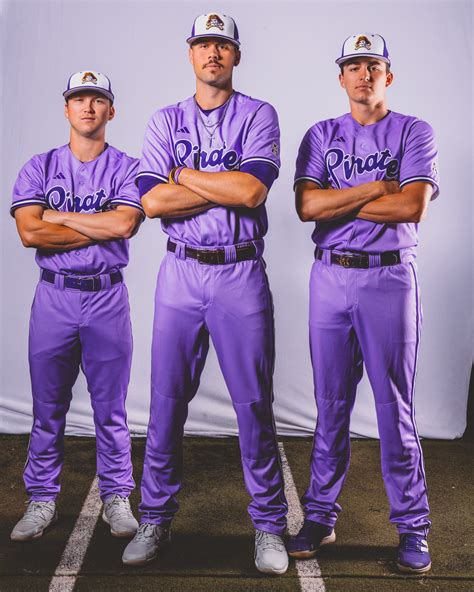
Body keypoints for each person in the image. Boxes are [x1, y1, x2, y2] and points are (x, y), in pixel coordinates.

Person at [122, 12, 288, 575]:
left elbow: (251, 189)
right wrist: (218, 186)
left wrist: (185, 175)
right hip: (181, 273)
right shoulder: (164, 119)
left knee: (252, 405)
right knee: (165, 403)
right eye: (203, 44)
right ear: (189, 54)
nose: (212, 53)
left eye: (222, 44)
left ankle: (267, 525)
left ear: (236, 55)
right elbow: (151, 203)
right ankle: (155, 517)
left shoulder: (259, 114)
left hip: (239, 273)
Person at [288, 33, 439, 574]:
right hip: (330, 279)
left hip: (388, 280)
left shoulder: (413, 131)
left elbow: (413, 206)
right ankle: (321, 515)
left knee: (393, 408)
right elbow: (307, 206)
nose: (362, 74)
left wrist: (341, 204)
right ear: (341, 76)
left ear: (387, 75)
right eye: (353, 65)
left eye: (372, 64)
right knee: (330, 407)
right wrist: (377, 187)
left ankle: (414, 527)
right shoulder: (322, 134)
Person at [10, 70, 144, 542]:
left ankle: (116, 496)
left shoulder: (128, 167)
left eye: (98, 100)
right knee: (48, 407)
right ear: (66, 109)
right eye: (79, 99)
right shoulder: (39, 166)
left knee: (111, 409)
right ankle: (42, 498)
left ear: (112, 110)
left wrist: (60, 216)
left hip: (107, 295)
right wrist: (96, 223)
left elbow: (124, 226)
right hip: (54, 295)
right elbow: (30, 232)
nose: (88, 107)